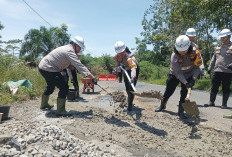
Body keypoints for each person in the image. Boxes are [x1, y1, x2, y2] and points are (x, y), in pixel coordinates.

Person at [38, 36, 97, 116]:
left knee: (51, 86)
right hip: (49, 68)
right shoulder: (69, 51)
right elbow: (79, 65)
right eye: (80, 47)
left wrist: (70, 68)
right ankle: (60, 110)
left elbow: (67, 64)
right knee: (64, 87)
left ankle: (44, 104)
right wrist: (92, 77)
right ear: (74, 45)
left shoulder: (66, 48)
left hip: (43, 67)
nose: (80, 50)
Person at [155, 35, 202, 119]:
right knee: (168, 91)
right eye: (180, 51)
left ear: (189, 46)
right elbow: (178, 72)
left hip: (189, 74)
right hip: (175, 74)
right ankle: (162, 105)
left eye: (184, 50)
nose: (182, 52)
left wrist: (193, 79)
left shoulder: (195, 53)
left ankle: (181, 112)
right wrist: (185, 82)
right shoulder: (174, 56)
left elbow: (197, 67)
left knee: (184, 94)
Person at [204, 29, 232, 109]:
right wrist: (209, 68)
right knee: (214, 87)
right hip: (217, 71)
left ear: (228, 37)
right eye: (221, 37)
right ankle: (211, 102)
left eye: (223, 37)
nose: (221, 38)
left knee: (225, 88)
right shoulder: (218, 47)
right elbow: (213, 59)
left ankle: (224, 104)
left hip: (227, 72)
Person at [114, 41, 139, 111]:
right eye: (119, 53)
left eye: (122, 52)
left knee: (131, 88)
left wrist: (133, 77)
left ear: (125, 50)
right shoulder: (117, 57)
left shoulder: (130, 57)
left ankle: (130, 105)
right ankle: (129, 97)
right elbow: (117, 66)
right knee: (127, 87)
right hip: (126, 69)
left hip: (134, 69)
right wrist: (118, 68)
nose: (121, 54)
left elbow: (133, 68)